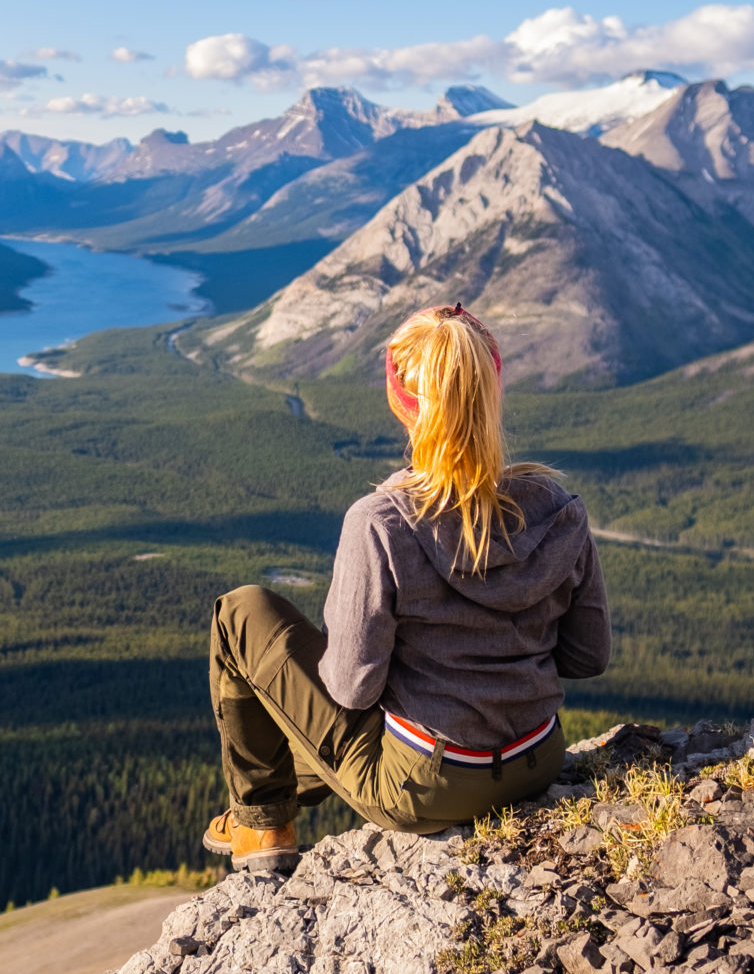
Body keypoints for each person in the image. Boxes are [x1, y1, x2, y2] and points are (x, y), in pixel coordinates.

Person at [202, 303, 612, 873]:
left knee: (241, 612)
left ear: (403, 405)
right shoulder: (560, 508)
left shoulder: (382, 522)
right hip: (535, 760)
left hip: (427, 788)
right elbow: (588, 656)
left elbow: (351, 690)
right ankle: (267, 807)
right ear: (492, 392)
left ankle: (263, 825)